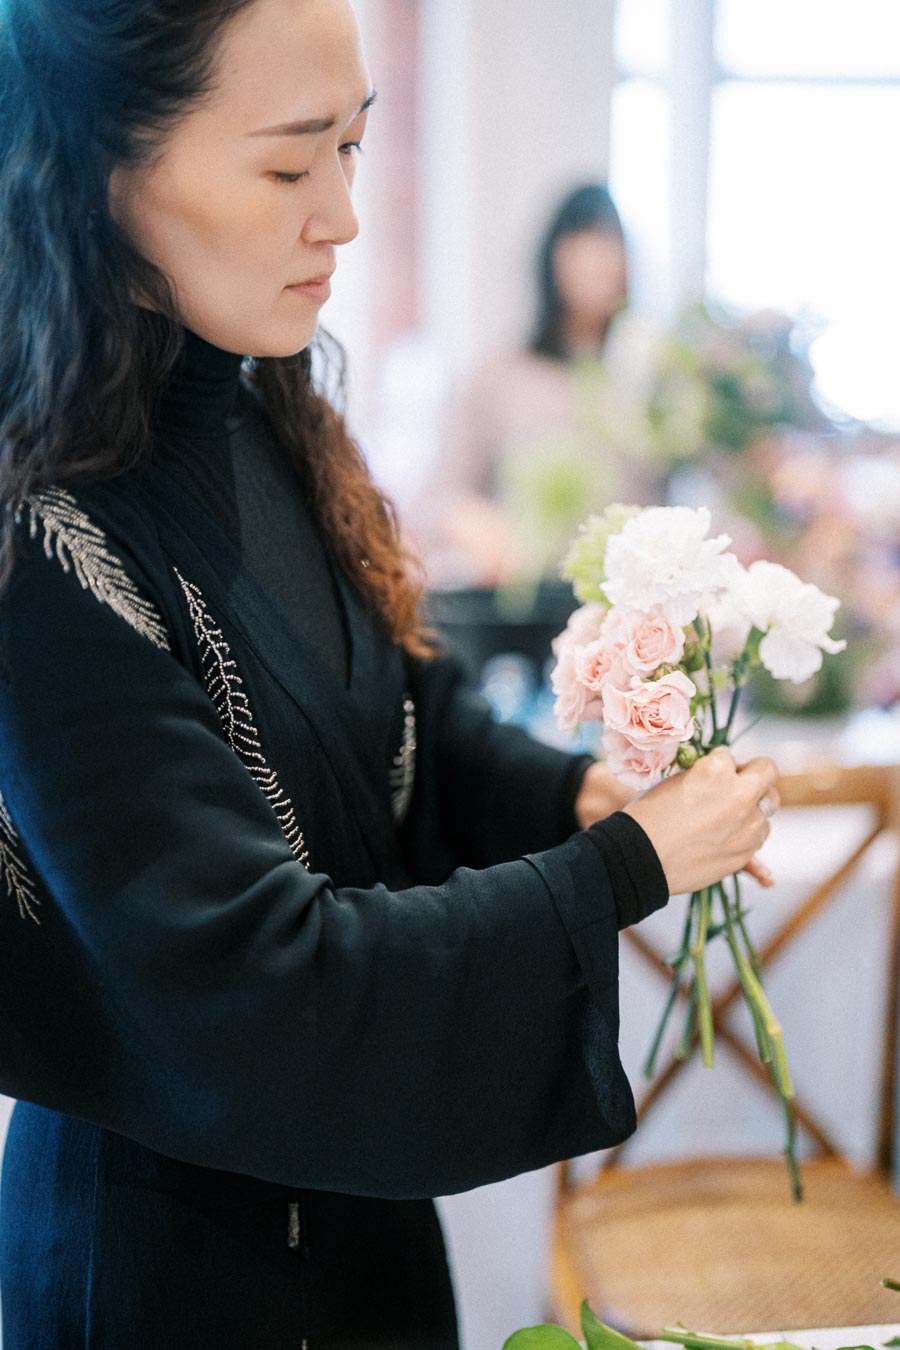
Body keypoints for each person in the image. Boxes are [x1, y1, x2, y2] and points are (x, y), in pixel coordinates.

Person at [0, 2, 779, 1347]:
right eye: (291, 164)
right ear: (104, 164)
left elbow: (398, 711)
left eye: (355, 150)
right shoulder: (44, 538)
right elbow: (258, 974)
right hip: (173, 1263)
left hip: (355, 1226)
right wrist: (624, 867)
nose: (344, 217)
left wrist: (568, 793)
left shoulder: (260, 405)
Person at [420, 183, 665, 588]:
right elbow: (441, 493)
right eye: (583, 244)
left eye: (611, 244)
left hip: (632, 600)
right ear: (552, 258)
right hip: (526, 599)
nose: (600, 261)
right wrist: (475, 524)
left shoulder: (654, 376)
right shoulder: (501, 375)